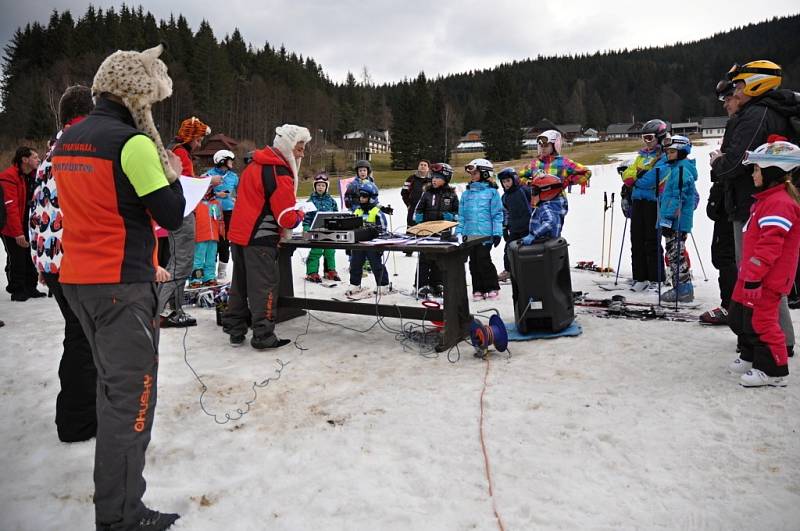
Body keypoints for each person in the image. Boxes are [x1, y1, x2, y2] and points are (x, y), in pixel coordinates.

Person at [52, 44, 185, 530]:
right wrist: (167, 167)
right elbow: (171, 213)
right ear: (137, 96)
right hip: (121, 285)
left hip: (79, 280)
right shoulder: (132, 144)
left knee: (111, 391)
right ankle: (121, 515)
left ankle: (117, 507)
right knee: (131, 402)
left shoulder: (70, 139)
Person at [28, 84, 97, 443]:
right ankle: (77, 421)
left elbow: (37, 209)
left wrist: (40, 261)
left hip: (54, 260)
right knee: (84, 339)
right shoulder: (84, 148)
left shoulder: (52, 153)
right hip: (75, 261)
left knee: (82, 336)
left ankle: (82, 414)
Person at [712, 60, 795, 355]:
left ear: (755, 83)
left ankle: (772, 340)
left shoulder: (757, 114)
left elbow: (735, 161)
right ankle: (769, 336)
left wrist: (718, 162)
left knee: (758, 273)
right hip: (754, 201)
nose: (735, 91)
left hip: (754, 205)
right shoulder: (763, 112)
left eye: (738, 85)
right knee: (758, 273)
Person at [223, 124, 310, 350]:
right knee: (264, 287)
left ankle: (235, 329)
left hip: (239, 234)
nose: (302, 153)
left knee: (240, 284)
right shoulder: (279, 171)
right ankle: (263, 335)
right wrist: (301, 212)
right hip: (260, 238)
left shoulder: (254, 165)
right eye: (299, 148)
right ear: (288, 147)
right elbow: (286, 218)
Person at [727, 137, 800, 387]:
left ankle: (774, 370)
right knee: (741, 314)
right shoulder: (766, 200)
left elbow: (770, 246)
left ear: (772, 171)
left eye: (757, 169)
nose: (753, 174)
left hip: (768, 278)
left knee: (763, 320)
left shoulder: (780, 204)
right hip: (752, 274)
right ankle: (750, 356)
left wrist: (755, 276)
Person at [158, 115, 211, 327]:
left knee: (177, 262)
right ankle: (161, 311)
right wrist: (208, 181)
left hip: (178, 214)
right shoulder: (180, 152)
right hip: (183, 215)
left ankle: (173, 309)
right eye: (197, 139)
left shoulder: (175, 150)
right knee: (181, 263)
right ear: (190, 137)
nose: (199, 144)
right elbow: (185, 183)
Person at [701, 80, 741, 324]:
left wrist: (719, 163)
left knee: (726, 256)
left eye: (729, 98)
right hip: (728, 199)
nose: (726, 104)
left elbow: (735, 164)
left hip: (734, 203)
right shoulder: (737, 123)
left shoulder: (745, 122)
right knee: (725, 255)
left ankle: (731, 307)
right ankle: (734, 307)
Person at [621, 119, 670, 292]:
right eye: (644, 138)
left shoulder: (664, 157)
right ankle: (640, 277)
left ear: (660, 137)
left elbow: (652, 181)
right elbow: (627, 174)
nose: (646, 141)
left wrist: (635, 179)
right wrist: (635, 177)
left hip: (653, 202)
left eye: (649, 137)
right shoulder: (641, 156)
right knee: (636, 240)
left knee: (652, 241)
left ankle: (656, 278)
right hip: (638, 201)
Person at [654, 135, 699, 303]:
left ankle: (683, 290)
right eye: (667, 151)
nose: (668, 154)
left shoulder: (681, 171)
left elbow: (676, 199)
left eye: (672, 151)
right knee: (673, 254)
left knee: (675, 255)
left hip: (676, 222)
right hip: (675, 221)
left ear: (682, 152)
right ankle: (680, 287)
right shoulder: (677, 169)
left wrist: (666, 222)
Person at [457, 158, 503, 301]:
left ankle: (491, 286)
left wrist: (497, 232)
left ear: (484, 173)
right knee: (473, 262)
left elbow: (497, 214)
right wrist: (459, 232)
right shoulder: (466, 194)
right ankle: (478, 288)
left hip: (485, 234)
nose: (472, 176)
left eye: (475, 173)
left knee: (483, 259)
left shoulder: (492, 193)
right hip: (469, 234)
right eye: (471, 173)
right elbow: (462, 216)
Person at [1, 146, 42, 301]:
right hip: (10, 225)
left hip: (25, 222)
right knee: (17, 256)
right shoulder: (8, 177)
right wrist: (17, 233)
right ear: (25, 159)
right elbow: (10, 207)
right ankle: (17, 289)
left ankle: (31, 287)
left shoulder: (29, 175)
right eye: (35, 157)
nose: (38, 159)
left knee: (28, 255)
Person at [413, 162, 459, 297]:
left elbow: (458, 213)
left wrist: (451, 216)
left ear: (446, 179)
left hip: (443, 233)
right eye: (433, 177)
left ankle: (437, 283)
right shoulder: (426, 194)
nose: (434, 180)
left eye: (438, 177)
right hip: (426, 232)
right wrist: (418, 217)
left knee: (439, 259)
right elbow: (418, 209)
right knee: (425, 258)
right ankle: (421, 284)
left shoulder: (451, 195)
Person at [345, 181, 391, 298]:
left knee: (376, 265)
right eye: (360, 196)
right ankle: (355, 284)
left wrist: (381, 245)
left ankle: (383, 284)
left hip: (373, 245)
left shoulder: (377, 212)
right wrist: (349, 245)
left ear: (372, 198)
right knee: (355, 264)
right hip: (359, 244)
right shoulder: (357, 211)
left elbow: (383, 230)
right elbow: (351, 228)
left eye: (364, 196)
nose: (361, 199)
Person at [523, 130, 592, 195]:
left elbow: (586, 172)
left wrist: (568, 181)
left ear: (554, 146)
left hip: (557, 203)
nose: (543, 148)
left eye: (546, 145)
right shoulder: (534, 164)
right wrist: (530, 183)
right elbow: (519, 177)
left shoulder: (564, 163)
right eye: (541, 146)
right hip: (538, 204)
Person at [207, 149, 239, 280]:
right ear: (222, 160)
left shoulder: (234, 177)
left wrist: (237, 199)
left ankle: (222, 270)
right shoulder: (209, 175)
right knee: (214, 240)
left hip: (229, 213)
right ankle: (210, 269)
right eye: (229, 160)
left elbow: (241, 192)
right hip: (213, 212)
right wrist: (216, 194)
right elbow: (203, 192)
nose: (231, 162)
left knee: (225, 241)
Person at [304, 172, 341, 283]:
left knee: (330, 250)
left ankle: (330, 270)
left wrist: (337, 224)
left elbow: (336, 214)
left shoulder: (331, 201)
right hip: (315, 230)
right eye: (318, 185)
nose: (320, 187)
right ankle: (312, 272)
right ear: (315, 186)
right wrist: (306, 227)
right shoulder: (310, 201)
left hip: (329, 230)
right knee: (317, 250)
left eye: (323, 185)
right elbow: (306, 217)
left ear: (326, 187)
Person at [497, 167, 532, 282]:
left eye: (508, 180)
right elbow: (505, 213)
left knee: (527, 250)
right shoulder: (505, 197)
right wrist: (505, 227)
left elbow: (534, 205)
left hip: (528, 227)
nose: (506, 184)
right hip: (514, 228)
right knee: (508, 249)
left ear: (515, 179)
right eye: (503, 182)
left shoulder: (524, 190)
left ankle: (529, 270)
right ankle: (508, 270)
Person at [189, 185, 224, 287]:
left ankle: (209, 278)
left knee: (211, 258)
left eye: (209, 188)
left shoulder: (216, 203)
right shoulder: (195, 203)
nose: (207, 190)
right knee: (198, 259)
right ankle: (196, 279)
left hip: (213, 236)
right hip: (200, 236)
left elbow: (220, 219)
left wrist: (222, 232)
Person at [520, 174, 568, 245]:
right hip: (552, 243)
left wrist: (534, 234)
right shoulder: (555, 205)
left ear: (547, 192)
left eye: (534, 191)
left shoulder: (545, 207)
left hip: (542, 243)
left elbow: (551, 221)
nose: (532, 195)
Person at [401, 159, 431, 228]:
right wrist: (408, 205)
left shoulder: (432, 180)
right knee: (411, 229)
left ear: (428, 168)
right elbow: (404, 192)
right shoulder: (411, 178)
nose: (423, 166)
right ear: (418, 167)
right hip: (413, 208)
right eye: (421, 165)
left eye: (425, 165)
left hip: (427, 210)